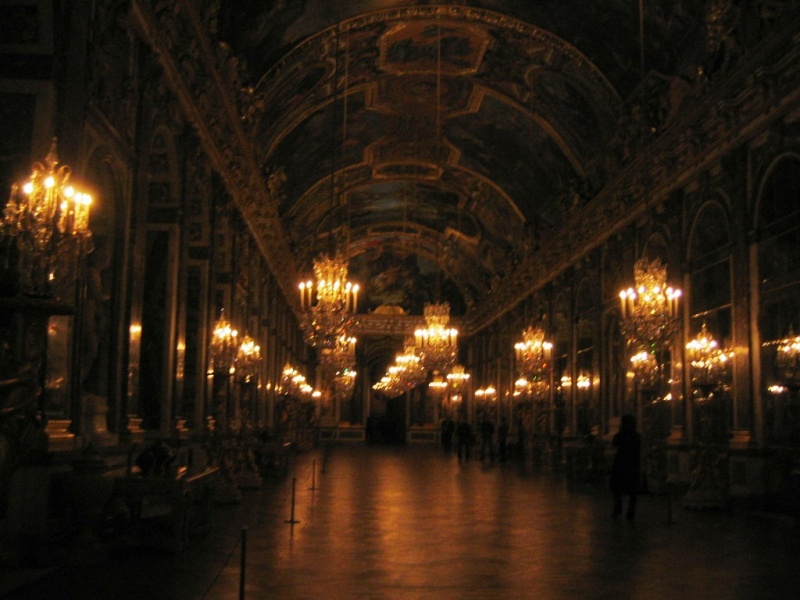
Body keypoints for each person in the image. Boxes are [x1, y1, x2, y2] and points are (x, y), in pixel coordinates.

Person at [610, 414, 642, 520]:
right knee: (632, 490)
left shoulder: (621, 435)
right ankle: (630, 511)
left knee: (618, 488)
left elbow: (614, 443)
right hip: (632, 464)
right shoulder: (636, 436)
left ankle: (617, 508)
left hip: (621, 463)